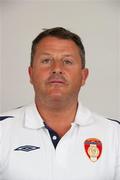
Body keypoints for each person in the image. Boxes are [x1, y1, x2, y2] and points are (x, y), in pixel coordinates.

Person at [0, 27, 119, 180]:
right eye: (46, 60)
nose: (56, 68)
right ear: (31, 74)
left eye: (67, 61)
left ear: (84, 76)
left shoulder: (115, 135)